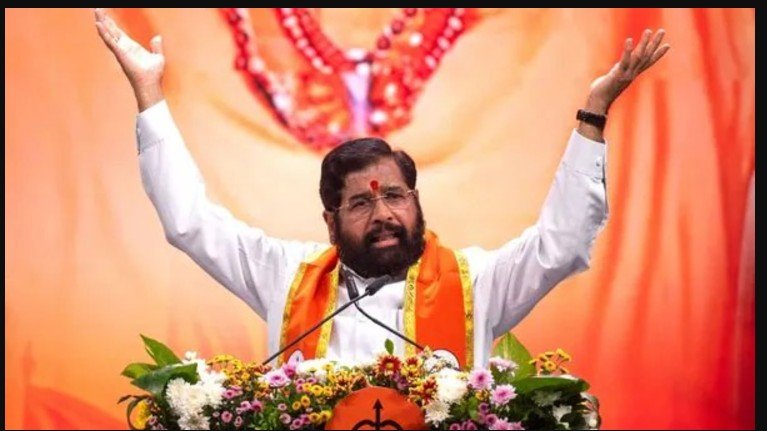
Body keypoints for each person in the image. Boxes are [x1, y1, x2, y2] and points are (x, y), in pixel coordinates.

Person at [94, 8, 669, 368]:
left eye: (395, 196)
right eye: (361, 202)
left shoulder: (477, 283)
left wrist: (594, 112)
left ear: (416, 203)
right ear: (330, 221)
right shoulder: (286, 279)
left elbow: (560, 244)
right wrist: (150, 94)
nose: (383, 214)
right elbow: (190, 222)